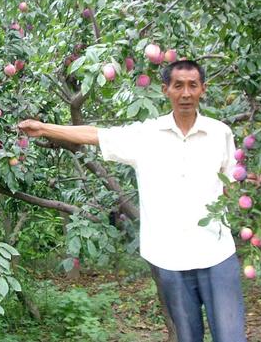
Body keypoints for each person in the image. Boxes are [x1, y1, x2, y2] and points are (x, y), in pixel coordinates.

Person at [18, 59, 247, 342]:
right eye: (178, 86)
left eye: (192, 85)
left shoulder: (220, 133)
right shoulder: (146, 135)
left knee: (231, 336)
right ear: (166, 90)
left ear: (203, 89)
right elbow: (96, 135)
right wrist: (44, 128)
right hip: (170, 257)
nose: (185, 93)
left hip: (217, 253)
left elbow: (230, 186)